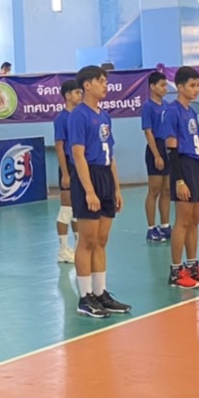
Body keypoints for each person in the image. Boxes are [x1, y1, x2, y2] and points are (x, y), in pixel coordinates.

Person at [69, 65, 130, 319]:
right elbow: (78, 155)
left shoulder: (104, 116)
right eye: (100, 81)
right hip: (89, 177)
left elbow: (110, 155)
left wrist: (116, 188)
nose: (105, 85)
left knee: (102, 240)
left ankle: (100, 292)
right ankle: (85, 298)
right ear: (87, 85)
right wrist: (89, 191)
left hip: (105, 176)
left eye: (106, 81)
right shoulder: (79, 115)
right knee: (87, 240)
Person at [164, 67, 199, 290]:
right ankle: (176, 270)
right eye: (192, 85)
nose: (196, 90)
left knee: (195, 220)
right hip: (183, 166)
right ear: (180, 87)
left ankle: (193, 265)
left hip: (196, 166)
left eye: (198, 85)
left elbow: (198, 146)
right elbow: (172, 149)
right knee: (183, 220)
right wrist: (179, 180)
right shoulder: (172, 112)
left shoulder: (192, 112)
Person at [52, 78, 82, 264]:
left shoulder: (79, 116)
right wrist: (65, 172)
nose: (80, 96)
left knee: (78, 209)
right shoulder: (61, 118)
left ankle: (78, 247)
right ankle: (63, 249)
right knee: (66, 209)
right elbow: (59, 146)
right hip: (68, 166)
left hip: (80, 166)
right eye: (77, 93)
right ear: (68, 95)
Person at [141, 71, 172, 243]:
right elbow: (148, 132)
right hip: (156, 147)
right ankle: (151, 228)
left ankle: (165, 226)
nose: (165, 88)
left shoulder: (167, 106)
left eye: (166, 85)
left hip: (167, 147)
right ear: (152, 87)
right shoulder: (148, 107)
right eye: (162, 85)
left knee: (167, 190)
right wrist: (157, 155)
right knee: (154, 190)